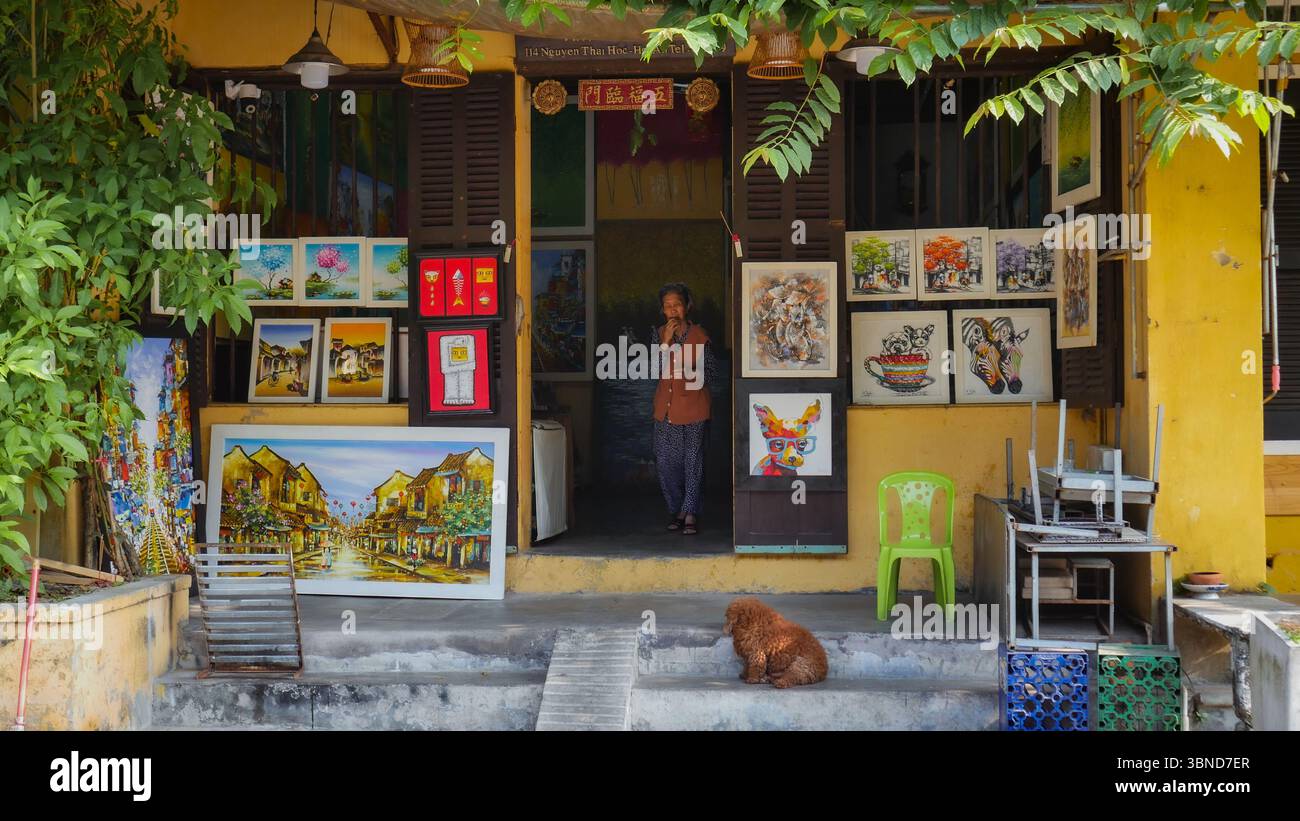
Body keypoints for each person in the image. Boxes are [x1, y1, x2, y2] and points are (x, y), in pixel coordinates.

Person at [652, 283, 715, 536]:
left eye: (677, 304)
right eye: (667, 306)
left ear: (687, 306)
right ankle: (677, 508)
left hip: (694, 409)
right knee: (666, 463)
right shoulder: (659, 334)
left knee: (692, 462)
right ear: (662, 310)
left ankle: (689, 513)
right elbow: (654, 371)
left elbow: (711, 373)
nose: (672, 310)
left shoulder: (700, 335)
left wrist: (688, 371)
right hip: (665, 410)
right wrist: (665, 344)